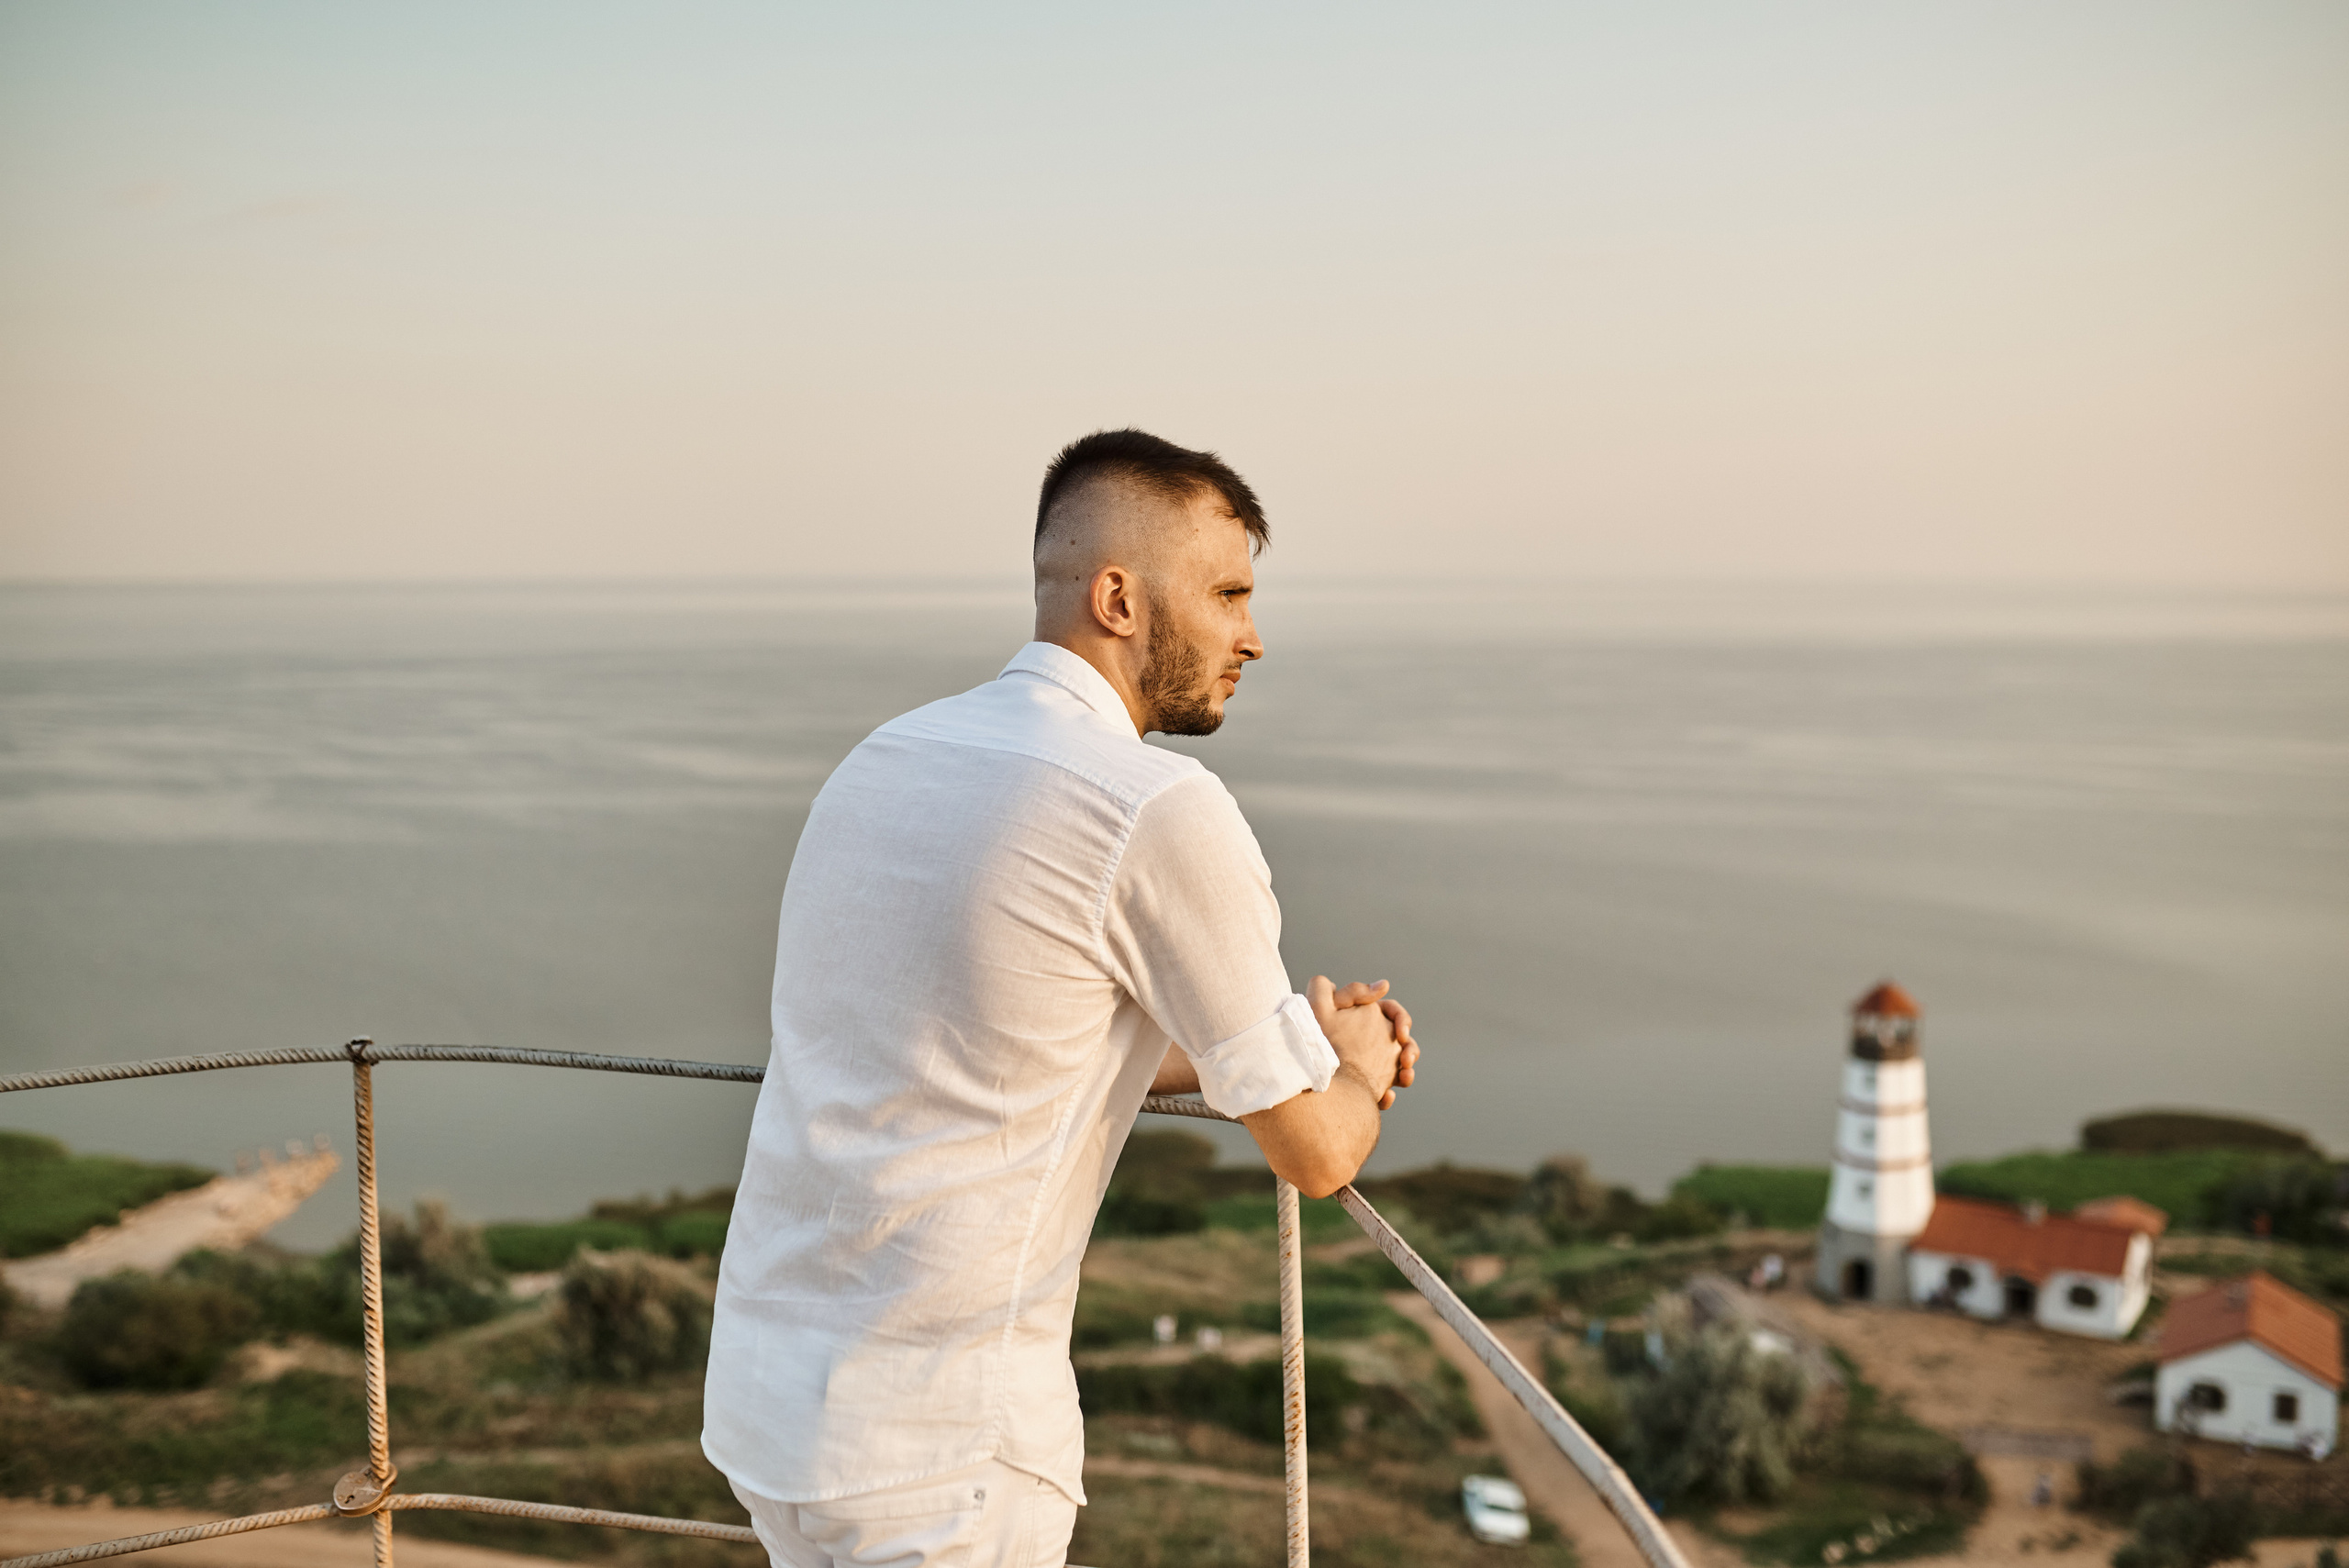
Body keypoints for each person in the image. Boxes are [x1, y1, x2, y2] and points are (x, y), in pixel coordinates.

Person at [702, 428, 1421, 1568]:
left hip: (772, 1409)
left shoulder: (889, 755)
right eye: (1227, 593)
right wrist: (1353, 1065)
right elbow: (1317, 1152)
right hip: (943, 1448)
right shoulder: (1154, 804)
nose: (1252, 635)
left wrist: (1281, 1045)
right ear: (1119, 598)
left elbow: (1004, 1039)